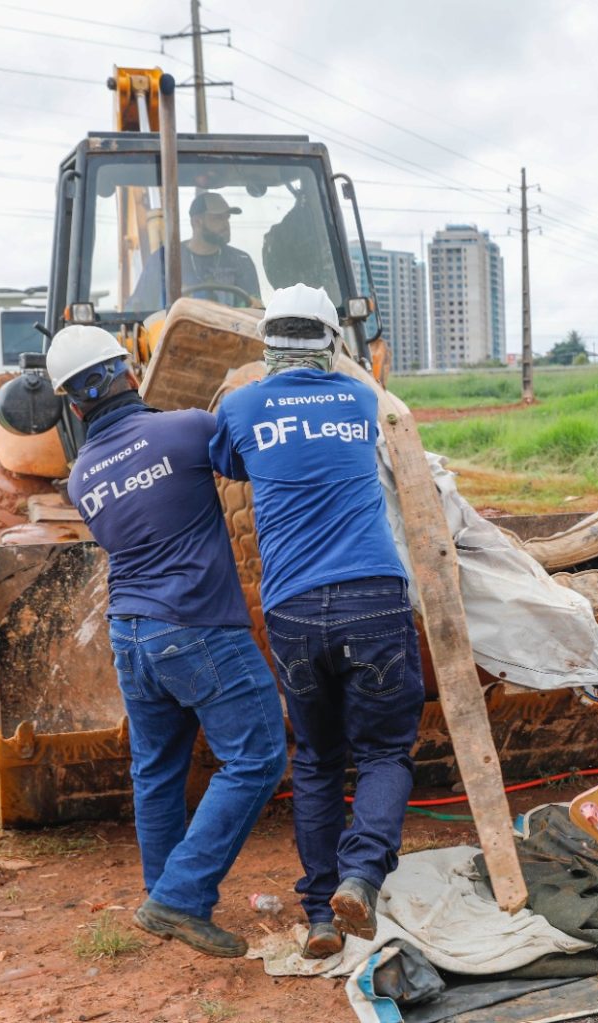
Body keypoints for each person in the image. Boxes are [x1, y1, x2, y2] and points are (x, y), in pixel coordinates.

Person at [49, 325, 286, 959]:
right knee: (259, 757)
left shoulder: (80, 479)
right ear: (129, 371)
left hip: (130, 633)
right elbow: (248, 459)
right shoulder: (183, 429)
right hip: (197, 627)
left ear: (72, 405)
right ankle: (179, 898)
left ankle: (162, 895)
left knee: (156, 770)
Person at [210, 284, 423, 957]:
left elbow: (230, 463)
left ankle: (322, 915)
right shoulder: (362, 398)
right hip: (374, 598)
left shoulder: (241, 405)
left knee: (318, 759)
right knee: (385, 751)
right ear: (331, 341)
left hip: (293, 610)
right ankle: (361, 874)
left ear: (267, 344)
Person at [129, 193, 261, 310]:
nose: (226, 224)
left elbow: (255, 308)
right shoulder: (164, 260)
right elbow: (139, 308)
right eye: (218, 218)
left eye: (227, 218)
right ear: (197, 222)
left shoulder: (241, 261)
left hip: (232, 335)